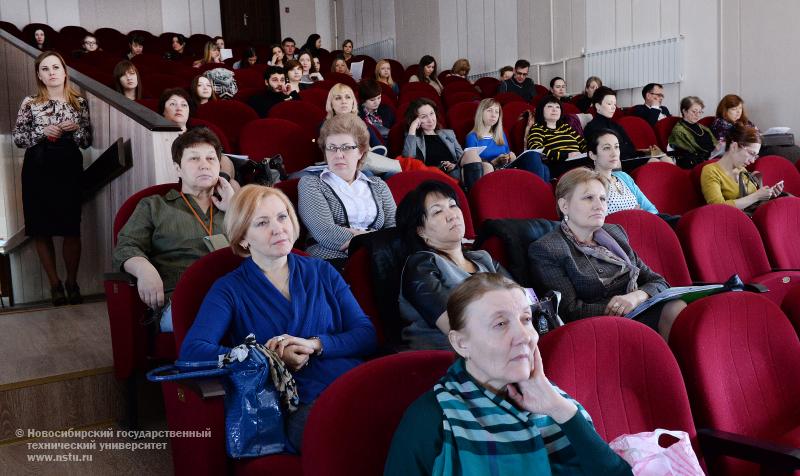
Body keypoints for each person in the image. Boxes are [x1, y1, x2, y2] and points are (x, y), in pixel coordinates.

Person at [180, 184, 377, 451]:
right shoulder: (228, 289)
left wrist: (315, 345)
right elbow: (192, 352)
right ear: (242, 239)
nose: (278, 228)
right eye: (262, 223)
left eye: (282, 217)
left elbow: (366, 335)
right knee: (352, 441)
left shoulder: (322, 271)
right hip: (290, 404)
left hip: (350, 383)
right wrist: (269, 359)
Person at [385, 273, 632, 476]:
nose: (526, 335)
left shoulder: (553, 398)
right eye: (501, 324)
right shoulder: (432, 417)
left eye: (526, 319)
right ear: (461, 344)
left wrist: (561, 409)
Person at [529, 167, 686, 340]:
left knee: (682, 309)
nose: (599, 205)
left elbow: (659, 282)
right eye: (589, 198)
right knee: (674, 309)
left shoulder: (615, 233)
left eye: (603, 198)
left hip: (640, 308)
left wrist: (637, 297)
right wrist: (622, 306)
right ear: (564, 205)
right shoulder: (548, 249)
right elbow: (569, 311)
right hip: (601, 329)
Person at [112, 128, 235, 332]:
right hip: (183, 299)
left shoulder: (234, 208)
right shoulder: (155, 206)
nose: (204, 165)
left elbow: (262, 251)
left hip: (236, 294)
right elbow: (126, 247)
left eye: (211, 159)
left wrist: (235, 209)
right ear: (178, 169)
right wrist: (144, 269)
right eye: (194, 159)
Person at [12, 51, 92, 306]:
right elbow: (18, 139)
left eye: (56, 67)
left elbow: (87, 142)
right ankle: (55, 285)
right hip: (37, 168)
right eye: (45, 69)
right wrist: (41, 130)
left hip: (68, 167)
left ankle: (72, 281)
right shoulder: (30, 102)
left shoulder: (79, 101)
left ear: (64, 71)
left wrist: (76, 129)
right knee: (40, 229)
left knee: (71, 228)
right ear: (39, 75)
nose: (51, 72)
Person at [396, 181, 509, 350]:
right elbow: (456, 326)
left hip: (502, 345)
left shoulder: (483, 258)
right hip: (449, 360)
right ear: (421, 231)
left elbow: (523, 300)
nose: (452, 215)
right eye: (438, 211)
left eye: (453, 205)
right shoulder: (421, 265)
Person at [298, 114, 396, 264]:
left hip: (380, 260)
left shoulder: (379, 185)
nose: (338, 155)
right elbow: (326, 233)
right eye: (332, 148)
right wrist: (376, 240)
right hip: (330, 260)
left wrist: (367, 242)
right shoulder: (311, 184)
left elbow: (395, 230)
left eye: (346, 148)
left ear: (361, 151)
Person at [402, 98, 485, 189]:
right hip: (435, 175)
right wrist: (412, 128)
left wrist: (454, 165)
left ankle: (472, 194)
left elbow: (461, 157)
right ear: (416, 120)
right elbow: (408, 159)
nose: (431, 120)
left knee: (483, 163)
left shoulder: (448, 133)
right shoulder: (413, 138)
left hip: (456, 171)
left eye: (431, 113)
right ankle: (472, 194)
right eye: (424, 117)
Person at [700, 123, 783, 211]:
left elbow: (750, 202)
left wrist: (768, 195)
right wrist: (757, 196)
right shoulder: (711, 171)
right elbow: (718, 208)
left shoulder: (742, 169)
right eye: (751, 154)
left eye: (755, 156)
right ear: (734, 146)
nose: (752, 161)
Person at [589, 129, 658, 215]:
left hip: (645, 223)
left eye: (616, 147)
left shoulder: (624, 177)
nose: (614, 153)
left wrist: (640, 217)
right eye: (606, 148)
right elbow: (598, 222)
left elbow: (651, 209)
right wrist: (631, 217)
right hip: (621, 227)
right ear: (592, 155)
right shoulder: (590, 184)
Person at [582, 87, 645, 161]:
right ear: (598, 106)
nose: (613, 107)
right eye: (609, 104)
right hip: (614, 165)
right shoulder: (591, 128)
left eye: (614, 104)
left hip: (629, 160)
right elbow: (605, 154)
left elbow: (631, 148)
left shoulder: (616, 125)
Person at [525, 95, 586, 162]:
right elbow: (535, 149)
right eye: (550, 106)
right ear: (541, 110)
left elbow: (582, 143)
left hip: (578, 160)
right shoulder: (538, 128)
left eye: (557, 107)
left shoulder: (566, 127)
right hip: (558, 163)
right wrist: (565, 155)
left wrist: (588, 154)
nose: (554, 110)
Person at [465, 98, 515, 171]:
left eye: (496, 112)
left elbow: (507, 154)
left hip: (505, 171)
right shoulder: (472, 137)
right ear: (481, 113)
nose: (493, 115)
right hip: (487, 175)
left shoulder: (501, 134)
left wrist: (510, 157)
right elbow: (474, 169)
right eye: (489, 110)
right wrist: (494, 162)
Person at [668, 96, 717, 168]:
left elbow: (715, 144)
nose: (697, 115)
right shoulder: (678, 131)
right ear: (684, 111)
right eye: (694, 111)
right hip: (696, 163)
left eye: (700, 112)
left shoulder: (703, 127)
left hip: (712, 158)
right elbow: (691, 153)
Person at [358, 79, 395, 145]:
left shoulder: (387, 111)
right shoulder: (357, 113)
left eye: (379, 98)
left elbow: (394, 134)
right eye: (372, 100)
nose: (377, 102)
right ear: (363, 100)